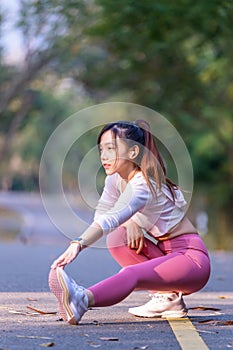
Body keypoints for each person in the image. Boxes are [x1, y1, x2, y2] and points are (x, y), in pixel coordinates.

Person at [49, 120, 211, 325]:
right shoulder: (114, 179)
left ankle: (82, 300)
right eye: (101, 149)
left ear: (133, 152)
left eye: (111, 149)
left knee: (131, 273)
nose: (104, 156)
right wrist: (130, 222)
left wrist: (78, 244)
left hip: (191, 259)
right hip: (166, 252)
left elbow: (112, 218)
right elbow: (103, 213)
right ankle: (168, 298)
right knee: (118, 237)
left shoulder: (143, 183)